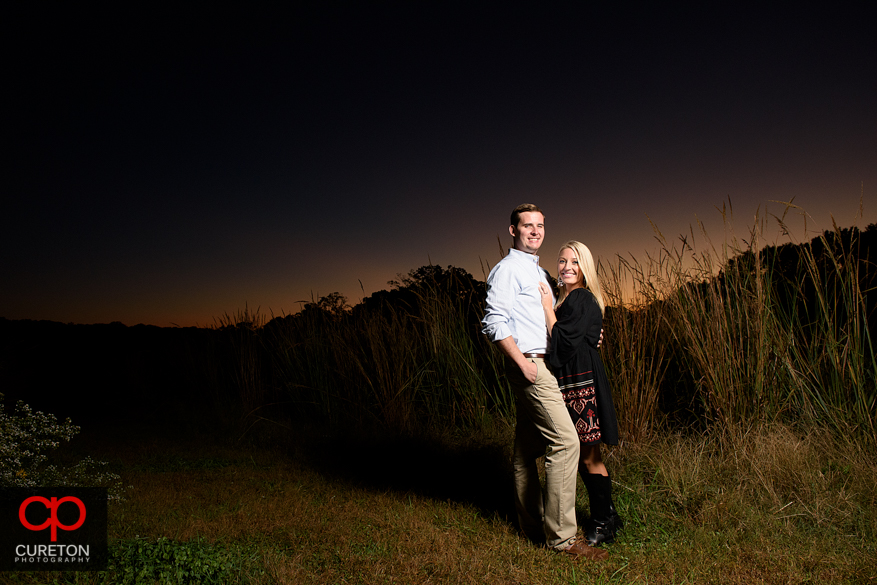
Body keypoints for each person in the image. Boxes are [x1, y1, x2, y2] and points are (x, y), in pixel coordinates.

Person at [482, 205, 598, 559]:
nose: (535, 231)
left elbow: (559, 318)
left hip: (546, 365)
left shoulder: (542, 272)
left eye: (540, 225)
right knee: (566, 443)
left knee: (525, 451)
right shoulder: (505, 271)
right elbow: (494, 321)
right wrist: (522, 363)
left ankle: (530, 525)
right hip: (531, 367)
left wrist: (591, 334)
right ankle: (562, 538)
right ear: (513, 230)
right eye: (527, 225)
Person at [538, 240, 622, 546]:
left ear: (584, 267)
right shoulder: (566, 299)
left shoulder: (582, 298)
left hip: (582, 380)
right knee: (581, 452)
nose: (567, 267)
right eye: (562, 262)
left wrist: (548, 310)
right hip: (570, 379)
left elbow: (563, 341)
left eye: (575, 262)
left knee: (588, 454)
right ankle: (609, 514)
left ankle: (603, 523)